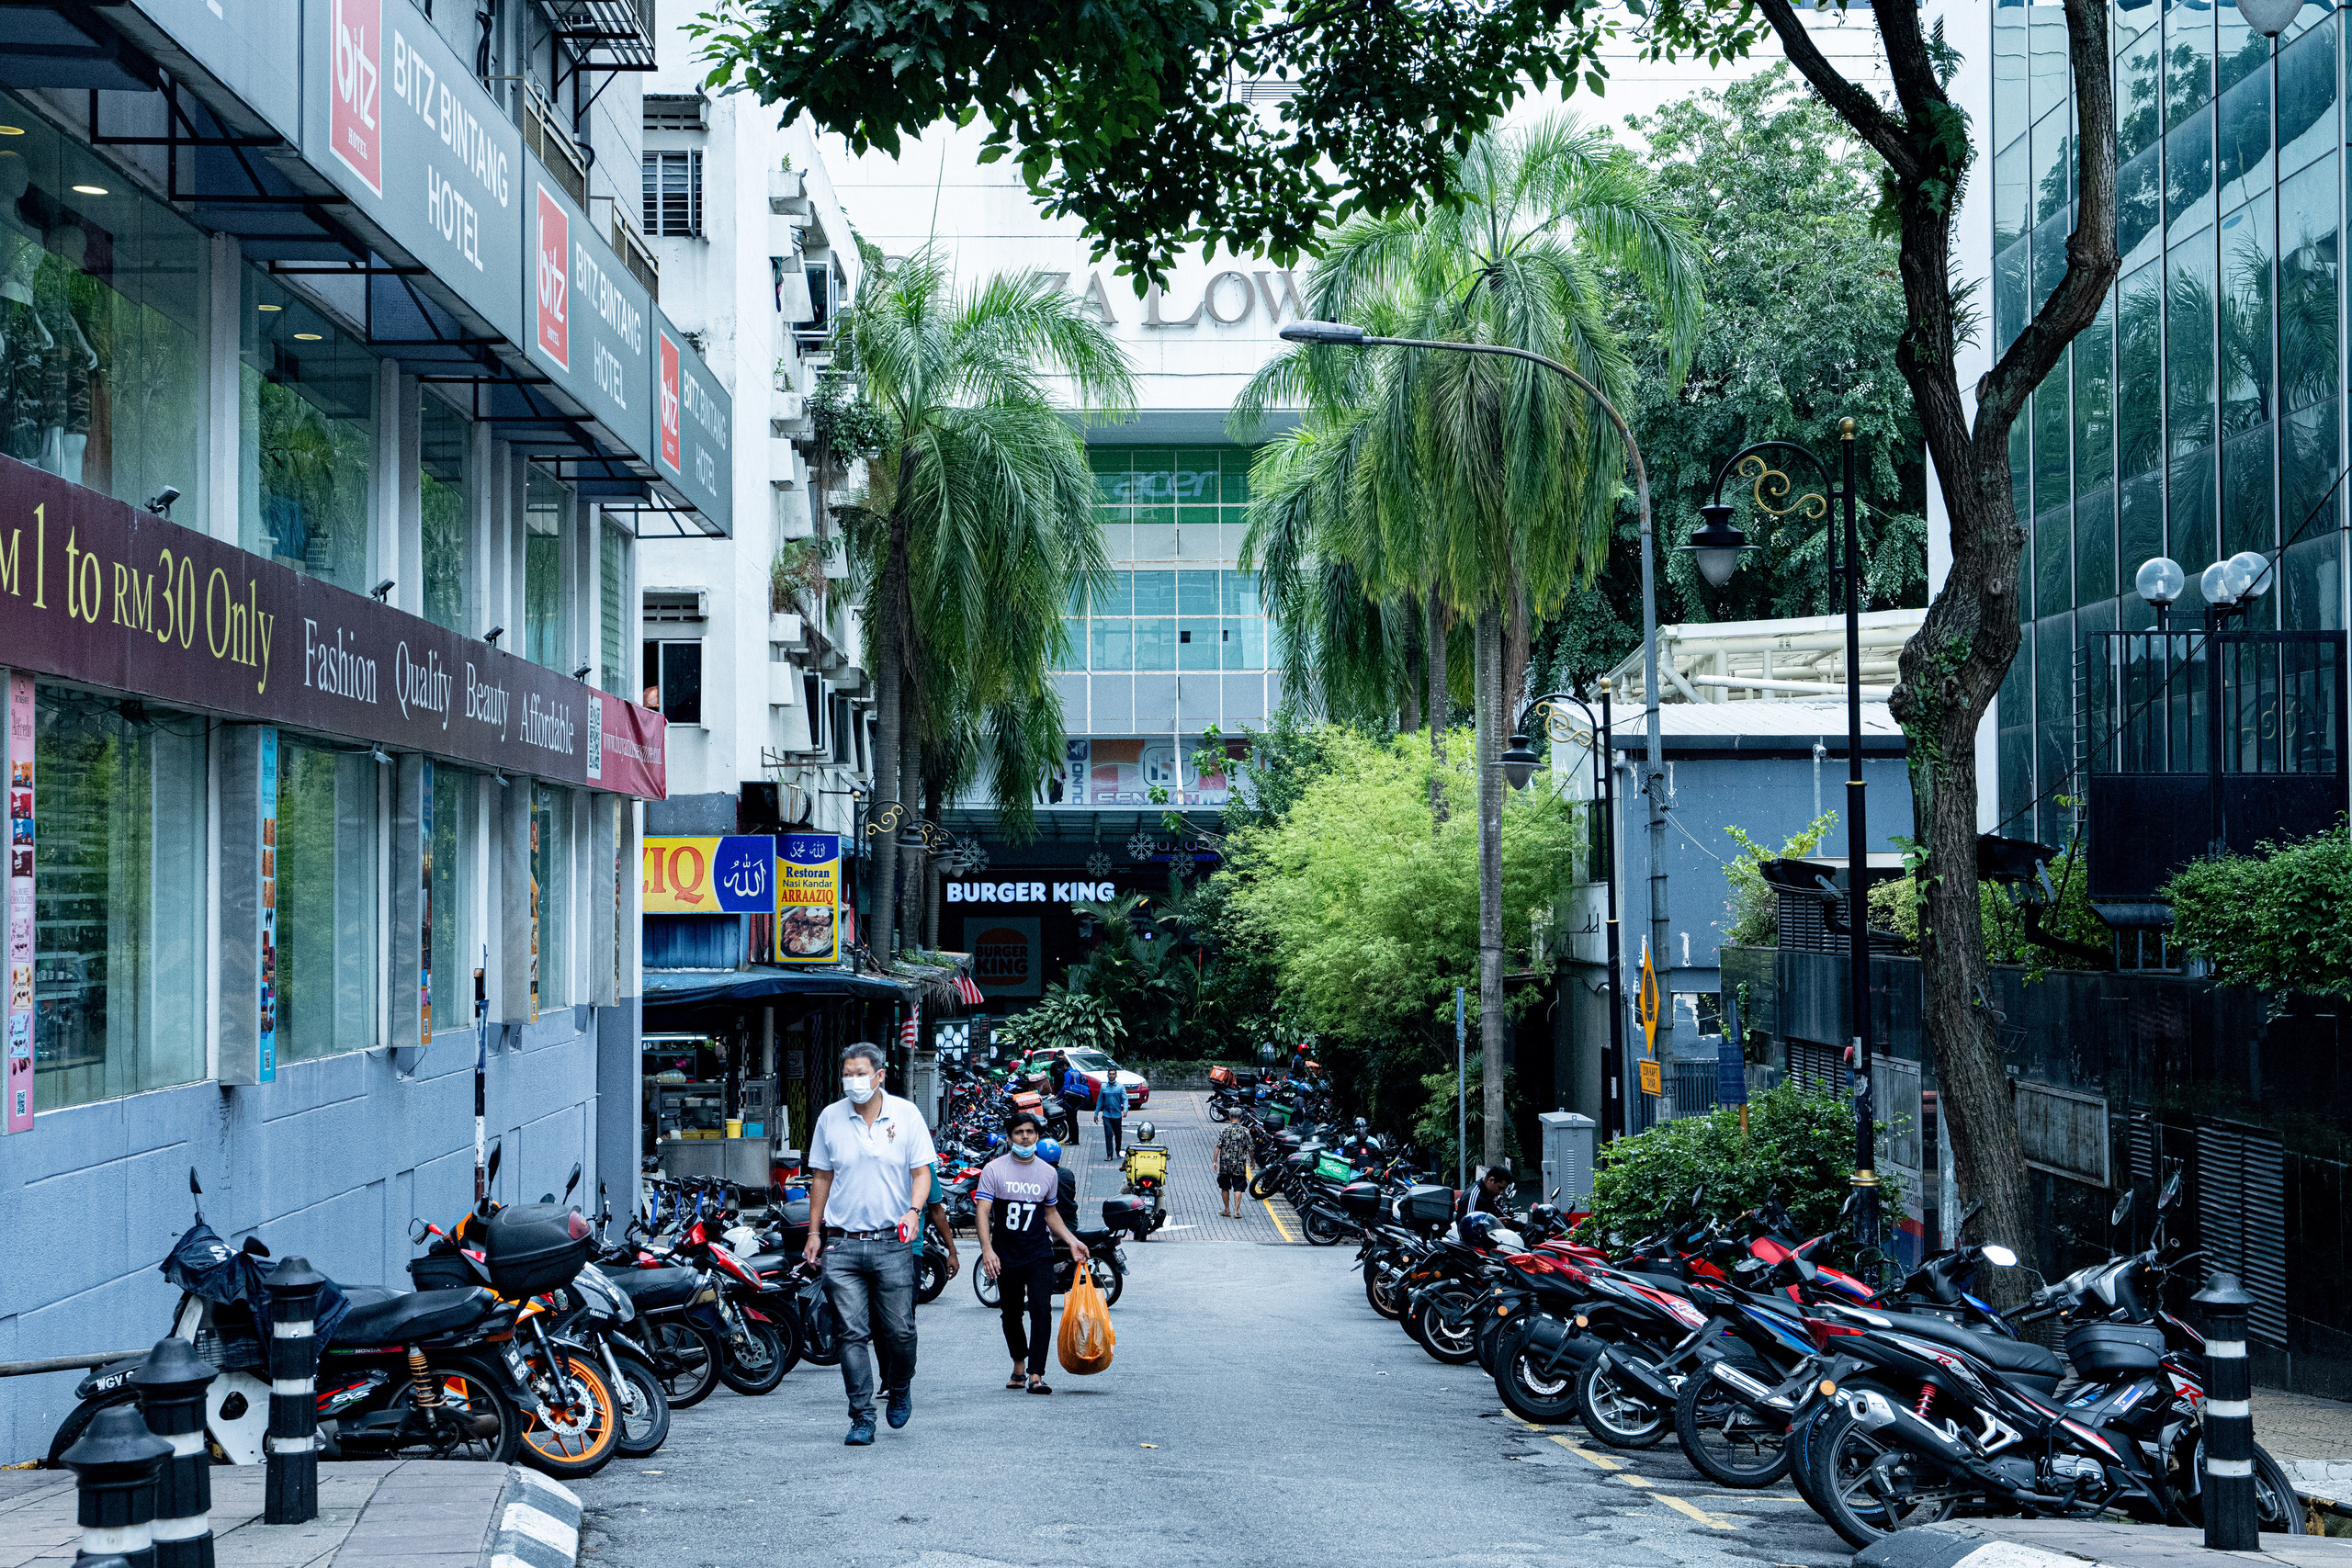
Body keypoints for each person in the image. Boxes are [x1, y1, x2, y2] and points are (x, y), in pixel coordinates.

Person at [804, 1043, 937, 1445]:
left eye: (860, 1074)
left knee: (900, 1331)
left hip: (892, 1244)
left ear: (879, 1075)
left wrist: (913, 1211)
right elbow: (822, 1178)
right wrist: (814, 1232)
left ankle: (899, 1383)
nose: (853, 1081)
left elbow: (921, 1173)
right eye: (847, 1074)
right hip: (842, 1246)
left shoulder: (906, 1115)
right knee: (851, 1334)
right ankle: (862, 1416)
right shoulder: (830, 1118)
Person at [975, 1112, 1090, 1394]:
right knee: (1011, 1313)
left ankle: (1036, 1373)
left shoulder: (1048, 1173)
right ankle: (1019, 1364)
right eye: (1018, 1132)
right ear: (1009, 1137)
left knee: (1041, 1309)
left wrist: (1072, 1240)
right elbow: (983, 1211)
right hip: (1006, 1253)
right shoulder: (994, 1170)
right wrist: (987, 1250)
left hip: (1039, 1252)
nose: (1025, 1137)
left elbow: (1050, 1213)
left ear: (1037, 1136)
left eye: (1029, 1132)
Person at [1216, 1114, 1252, 1219]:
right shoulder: (1245, 1131)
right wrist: (1252, 1161)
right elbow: (1250, 1148)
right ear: (1241, 1117)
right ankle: (1236, 1212)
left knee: (1224, 1186)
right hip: (1239, 1164)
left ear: (1230, 1116)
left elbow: (1218, 1146)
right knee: (1238, 1187)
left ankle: (1227, 1209)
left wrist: (1214, 1161)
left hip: (1225, 1164)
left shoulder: (1224, 1130)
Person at [1457, 1164, 1516, 1228]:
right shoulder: (1474, 1196)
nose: (1501, 1192)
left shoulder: (1487, 1195)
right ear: (1491, 1180)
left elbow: (1498, 1216)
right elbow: (1469, 1228)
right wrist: (1494, 1224)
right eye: (1500, 1188)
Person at [1097, 1071, 1127, 1161]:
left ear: (1116, 1075)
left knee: (1118, 1134)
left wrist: (1125, 1110)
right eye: (1110, 1074)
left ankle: (1118, 1152)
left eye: (1113, 1074)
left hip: (1117, 1115)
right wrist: (1096, 1113)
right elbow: (1100, 1101)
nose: (1111, 1076)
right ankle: (1109, 1154)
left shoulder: (1120, 1087)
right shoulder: (1103, 1087)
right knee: (1108, 1134)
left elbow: (1125, 1099)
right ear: (1107, 1075)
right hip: (1106, 1114)